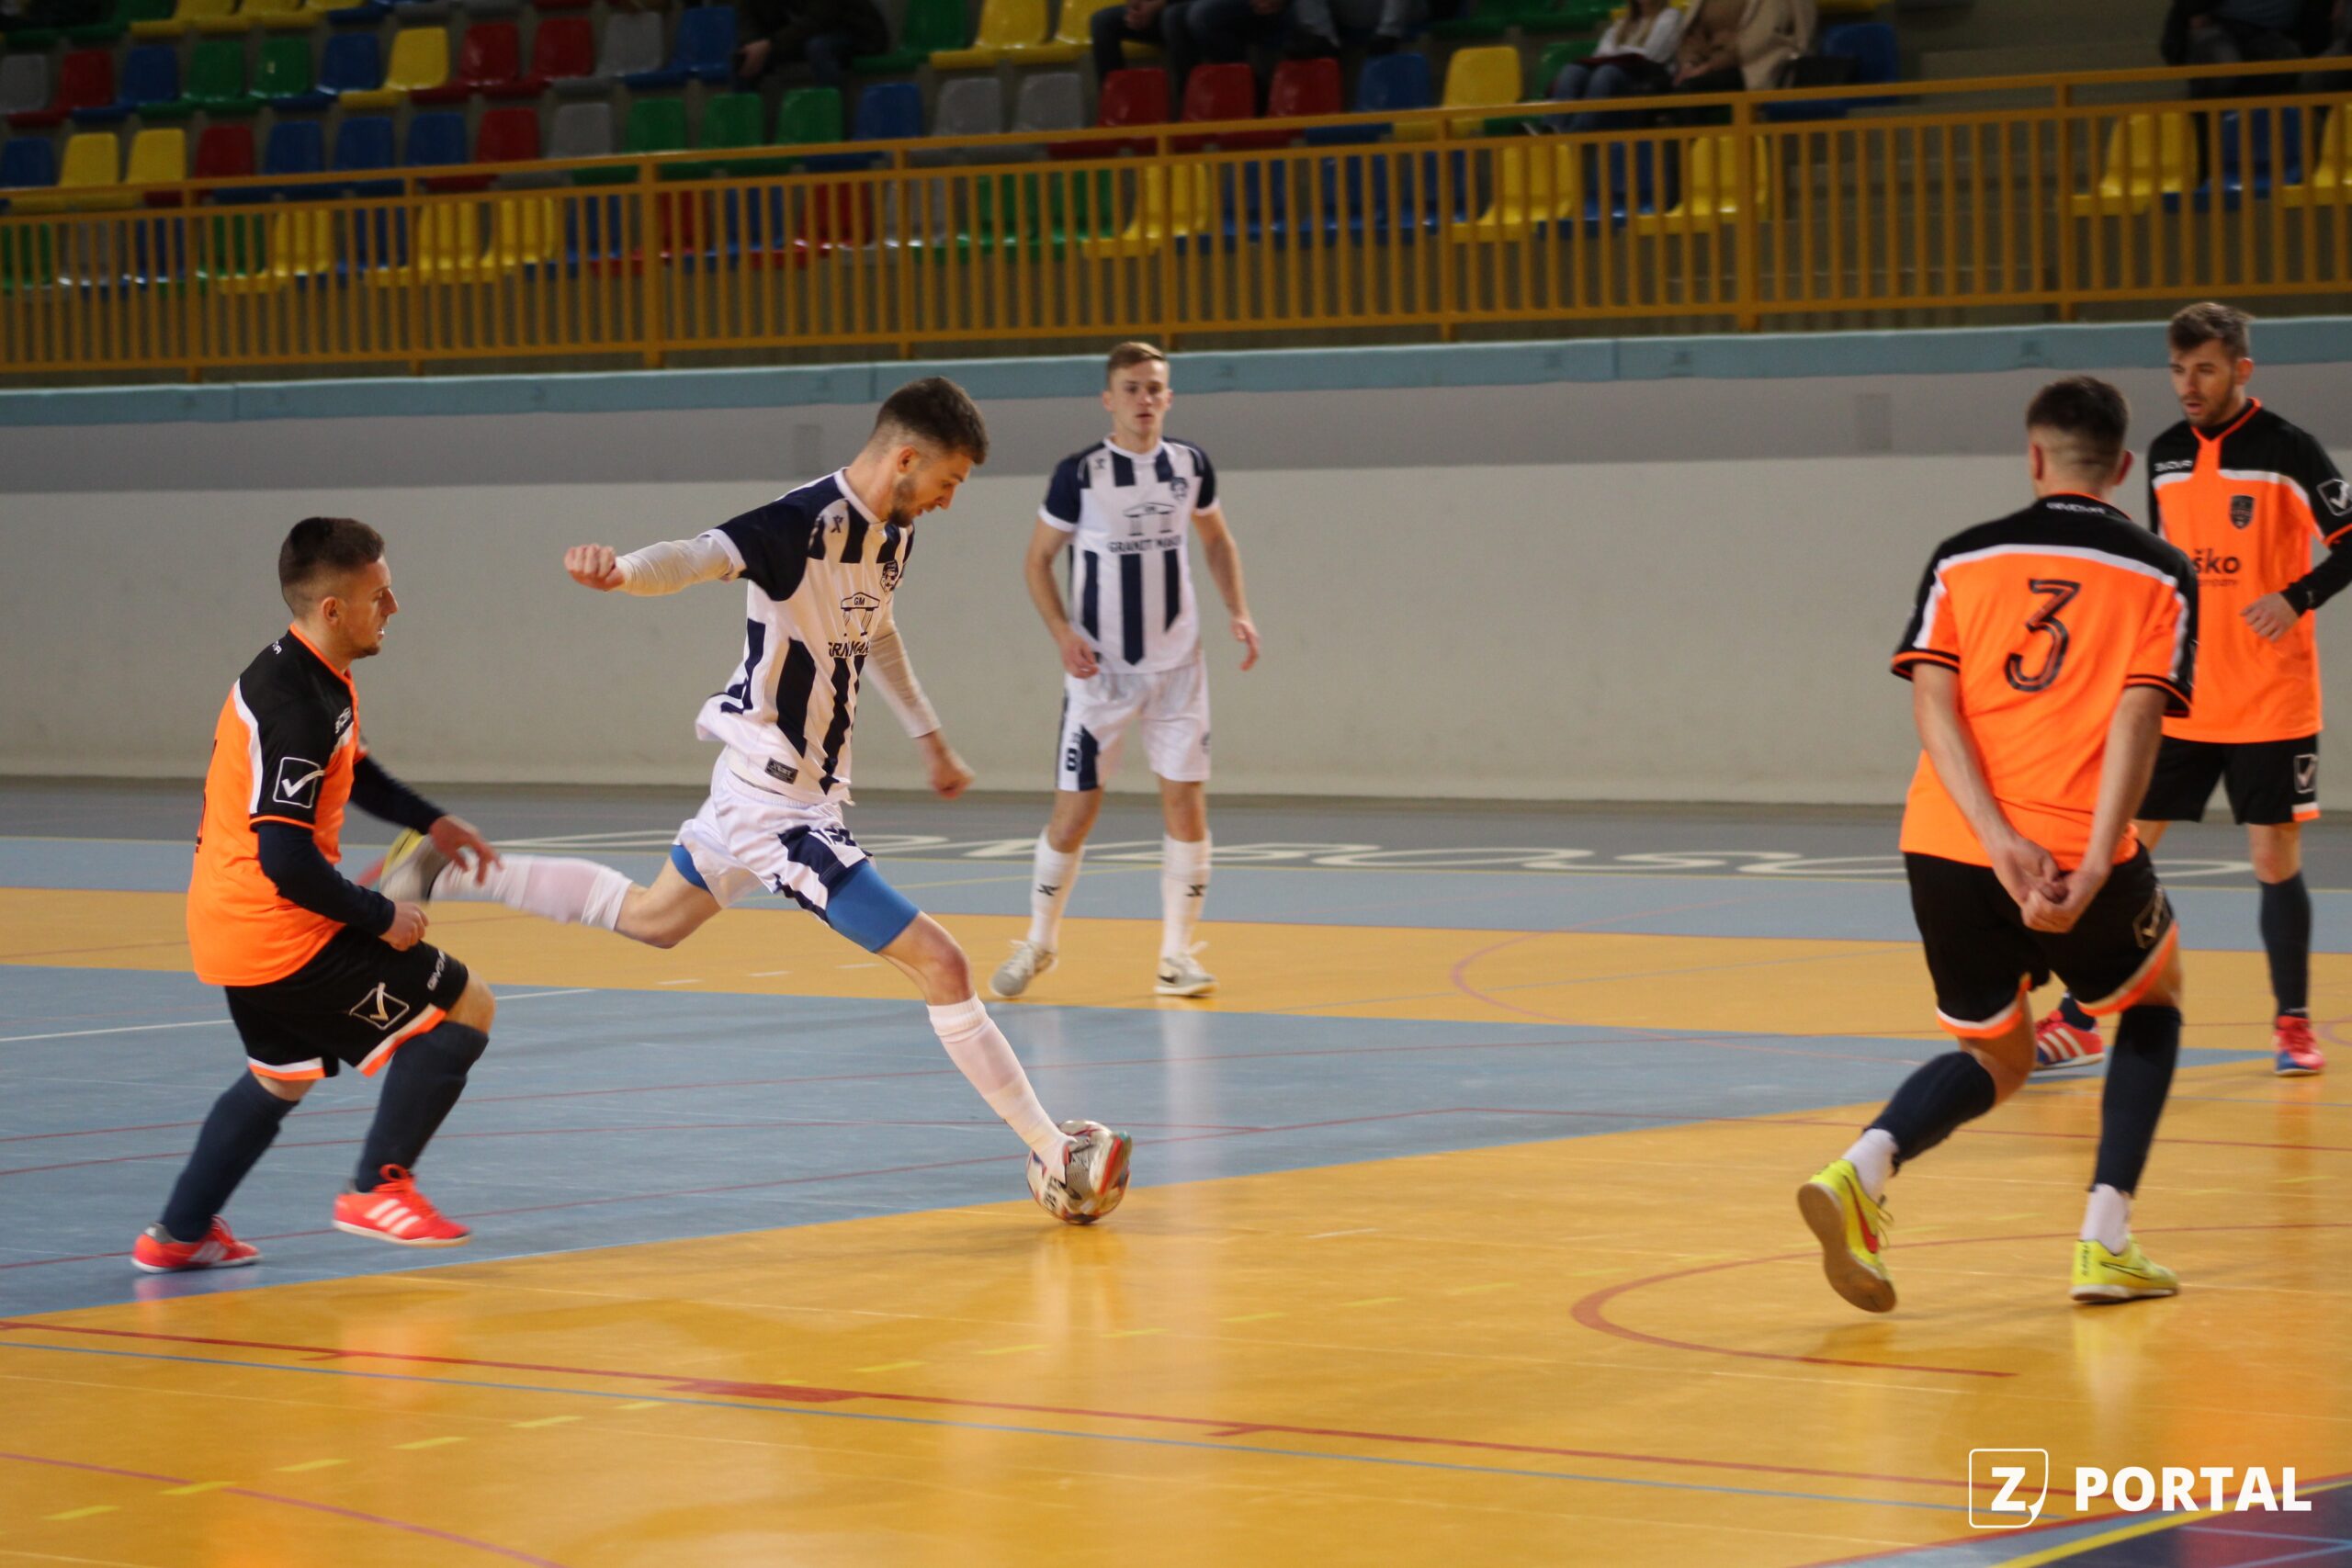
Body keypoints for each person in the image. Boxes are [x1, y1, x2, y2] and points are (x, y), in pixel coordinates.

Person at [374, 379, 1136, 1224]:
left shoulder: (893, 535)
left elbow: (876, 629)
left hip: (783, 790)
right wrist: (621, 573)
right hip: (777, 806)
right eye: (948, 481)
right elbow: (698, 554)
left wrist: (928, 734)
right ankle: (1054, 1151)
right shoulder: (799, 523)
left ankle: (442, 871)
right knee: (944, 964)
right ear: (906, 458)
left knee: (655, 918)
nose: (949, 500)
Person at [1799, 377, 2199, 1314]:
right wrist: (2093, 862)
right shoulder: (2160, 572)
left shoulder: (1962, 556)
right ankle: (2105, 1241)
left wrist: (1993, 836)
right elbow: (2139, 719)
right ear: (2123, 466)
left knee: (1999, 1057)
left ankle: (1864, 1164)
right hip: (2071, 842)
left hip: (1946, 845)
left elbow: (1931, 701)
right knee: (2153, 1002)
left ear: (2033, 456)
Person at [132, 518, 505, 1272]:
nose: (393, 606)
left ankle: (177, 1234)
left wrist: (428, 819)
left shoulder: (306, 672)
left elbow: (352, 767)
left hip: (229, 924)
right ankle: (377, 1188)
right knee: (466, 1003)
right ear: (333, 608)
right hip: (280, 929)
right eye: (379, 594)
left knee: (278, 1078)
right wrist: (383, 917)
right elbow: (286, 860)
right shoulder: (296, 706)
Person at [2037, 304, 2351, 1078]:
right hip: (2182, 697)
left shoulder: (2288, 448)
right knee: (2119, 848)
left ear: (2241, 369)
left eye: (2205, 369)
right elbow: (2161, 567)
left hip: (2271, 699)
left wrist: (2297, 597)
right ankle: (2080, 1017)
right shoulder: (2168, 455)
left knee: (2273, 857)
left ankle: (2292, 1024)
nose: (2189, 384)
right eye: (2179, 370)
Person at [989, 343, 1260, 1004]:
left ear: (1169, 397)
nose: (1145, 399)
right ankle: (1039, 941)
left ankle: (1175, 957)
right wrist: (1063, 633)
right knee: (1074, 815)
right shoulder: (1080, 474)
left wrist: (1238, 610)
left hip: (1178, 668)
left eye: (1155, 388)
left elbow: (1217, 539)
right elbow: (1036, 560)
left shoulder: (1189, 465)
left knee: (1185, 804)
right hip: (1101, 674)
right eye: (1132, 388)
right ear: (1109, 399)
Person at [1543, 0, 1683, 132]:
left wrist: (1620, 52)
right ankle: (1551, 129)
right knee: (1573, 71)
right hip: (1616, 71)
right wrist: (1624, 53)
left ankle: (1576, 136)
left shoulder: (1670, 16)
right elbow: (1600, 55)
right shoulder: (1623, 23)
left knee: (1605, 73)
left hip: (1645, 77)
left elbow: (1654, 54)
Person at [2163, 0, 2332, 99]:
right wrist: (2196, 14)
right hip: (2218, 25)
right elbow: (2195, 15)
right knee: (2223, 66)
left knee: (2290, 64)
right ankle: (2205, 142)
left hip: (2270, 35)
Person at [1668, 0, 1806, 107]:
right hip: (1707, 63)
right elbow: (1694, 34)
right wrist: (1690, 63)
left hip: (1752, 62)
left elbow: (1760, 39)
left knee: (1689, 90)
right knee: (1659, 87)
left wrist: (1708, 67)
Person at [735, 0, 888, 86]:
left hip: (855, 32)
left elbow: (819, 19)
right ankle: (742, 128)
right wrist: (752, 47)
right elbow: (747, 19)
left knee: (818, 48)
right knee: (743, 60)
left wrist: (770, 44)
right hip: (799, 37)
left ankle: (831, 117)